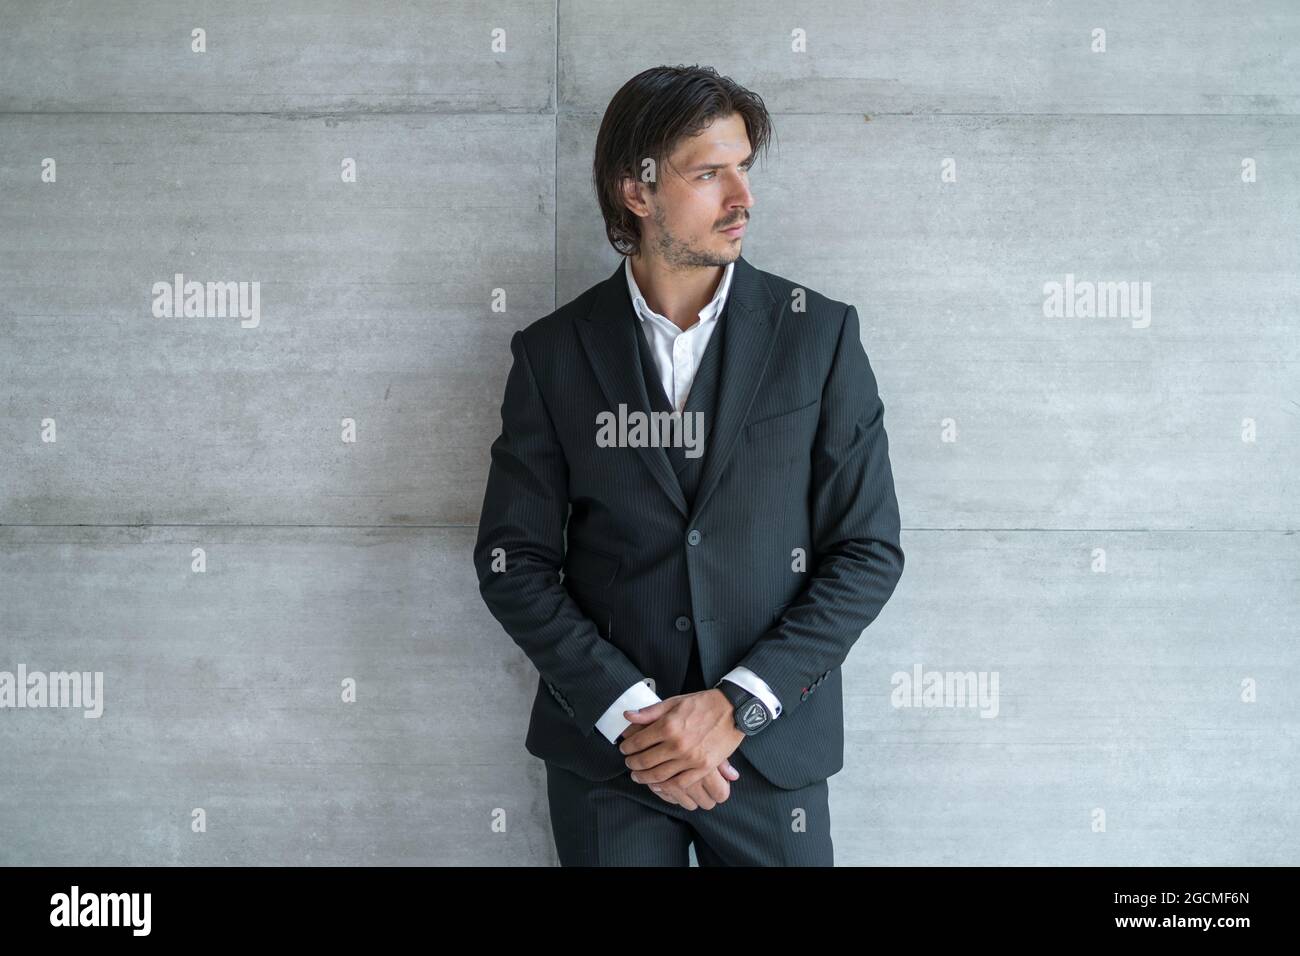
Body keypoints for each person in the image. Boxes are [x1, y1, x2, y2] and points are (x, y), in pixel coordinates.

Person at [473, 65, 904, 865]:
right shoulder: (551, 355)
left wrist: (737, 706)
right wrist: (635, 715)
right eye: (709, 174)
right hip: (611, 762)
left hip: (769, 758)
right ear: (635, 192)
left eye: (743, 168)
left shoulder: (819, 336)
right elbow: (514, 562)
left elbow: (866, 550)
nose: (742, 199)